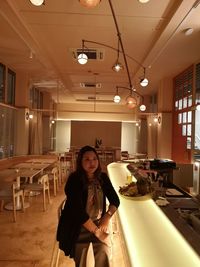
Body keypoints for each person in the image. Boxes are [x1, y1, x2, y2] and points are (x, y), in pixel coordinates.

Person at [57, 145, 120, 267]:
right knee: (83, 259)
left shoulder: (103, 178)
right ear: (80, 162)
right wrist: (98, 233)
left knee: (104, 252)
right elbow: (78, 212)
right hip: (78, 227)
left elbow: (115, 200)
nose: (92, 163)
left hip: (98, 223)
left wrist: (106, 217)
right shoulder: (74, 180)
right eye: (87, 159)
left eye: (94, 159)